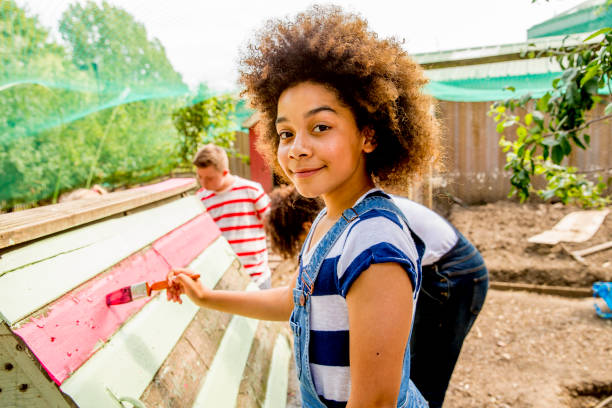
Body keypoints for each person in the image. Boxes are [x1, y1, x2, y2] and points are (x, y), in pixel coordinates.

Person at [167, 6, 440, 407]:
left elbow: (376, 403)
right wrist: (208, 297)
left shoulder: (374, 242)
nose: (297, 149)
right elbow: (300, 301)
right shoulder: (331, 222)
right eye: (286, 133)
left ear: (368, 135)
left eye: (321, 127)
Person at [264, 185, 489, 408]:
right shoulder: (335, 218)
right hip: (433, 264)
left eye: (299, 240)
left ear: (305, 226)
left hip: (452, 270)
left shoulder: (367, 230)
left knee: (423, 375)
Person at [193, 144, 272, 289]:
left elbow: (271, 223)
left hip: (257, 275)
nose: (203, 183)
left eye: (209, 178)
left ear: (225, 172)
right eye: (200, 177)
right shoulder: (200, 199)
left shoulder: (251, 190)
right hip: (225, 276)